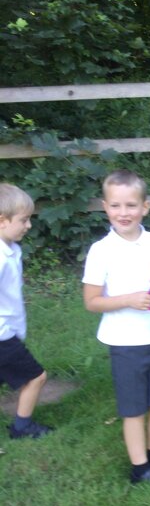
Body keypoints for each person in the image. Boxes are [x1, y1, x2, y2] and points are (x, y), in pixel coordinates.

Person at [82, 169, 150, 484]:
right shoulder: (101, 251)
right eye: (116, 205)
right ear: (105, 207)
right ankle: (140, 467)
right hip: (125, 344)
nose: (123, 212)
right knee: (134, 409)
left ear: (145, 207)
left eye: (131, 205)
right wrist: (128, 299)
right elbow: (91, 302)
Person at [0, 184, 53, 439]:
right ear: (2, 221)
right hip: (2, 335)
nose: (29, 225)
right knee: (36, 377)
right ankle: (22, 427)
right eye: (23, 220)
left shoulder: (10, 249)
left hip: (8, 331)